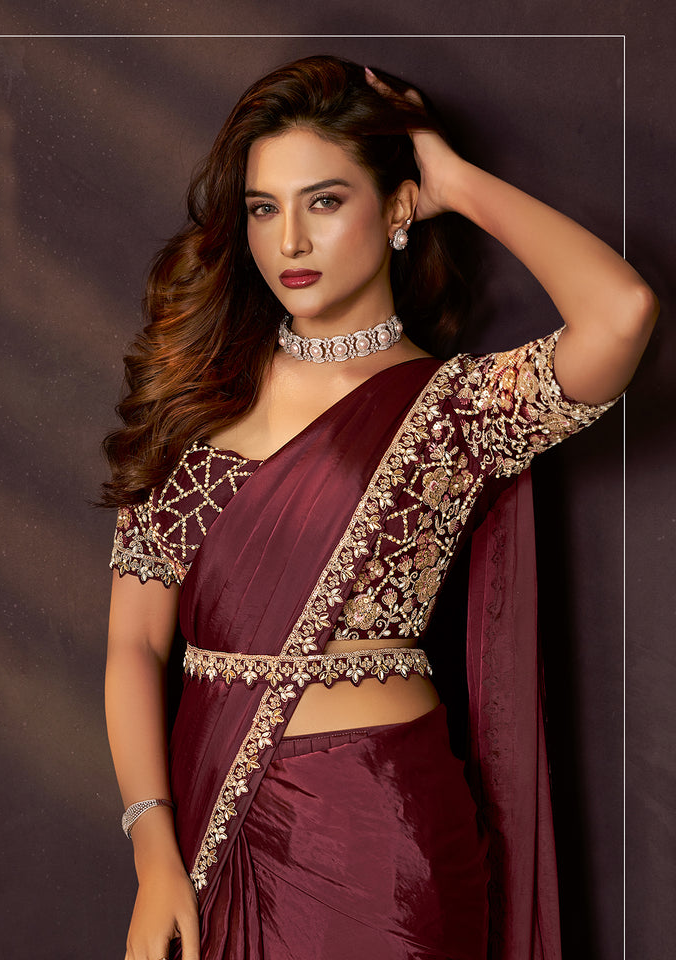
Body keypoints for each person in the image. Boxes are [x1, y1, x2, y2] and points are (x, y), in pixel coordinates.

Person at [102, 55, 657, 960]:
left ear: (397, 209)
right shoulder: (193, 397)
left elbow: (623, 313)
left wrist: (454, 180)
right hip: (208, 827)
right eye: (264, 208)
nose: (290, 242)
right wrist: (153, 850)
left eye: (325, 201)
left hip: (383, 839)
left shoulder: (454, 411)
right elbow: (135, 642)